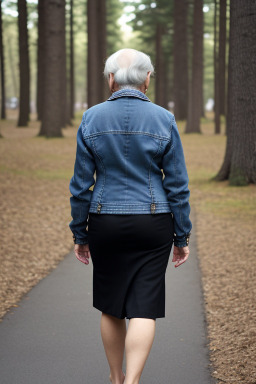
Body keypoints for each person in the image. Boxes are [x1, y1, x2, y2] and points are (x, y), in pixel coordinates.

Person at [69, 48, 192, 384]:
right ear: (147, 78)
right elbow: (178, 185)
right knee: (144, 306)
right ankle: (133, 381)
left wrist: (80, 234)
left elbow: (81, 186)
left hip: (105, 221)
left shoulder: (91, 118)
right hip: (153, 222)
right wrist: (181, 237)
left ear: (111, 78)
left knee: (111, 305)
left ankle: (115, 376)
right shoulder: (164, 119)